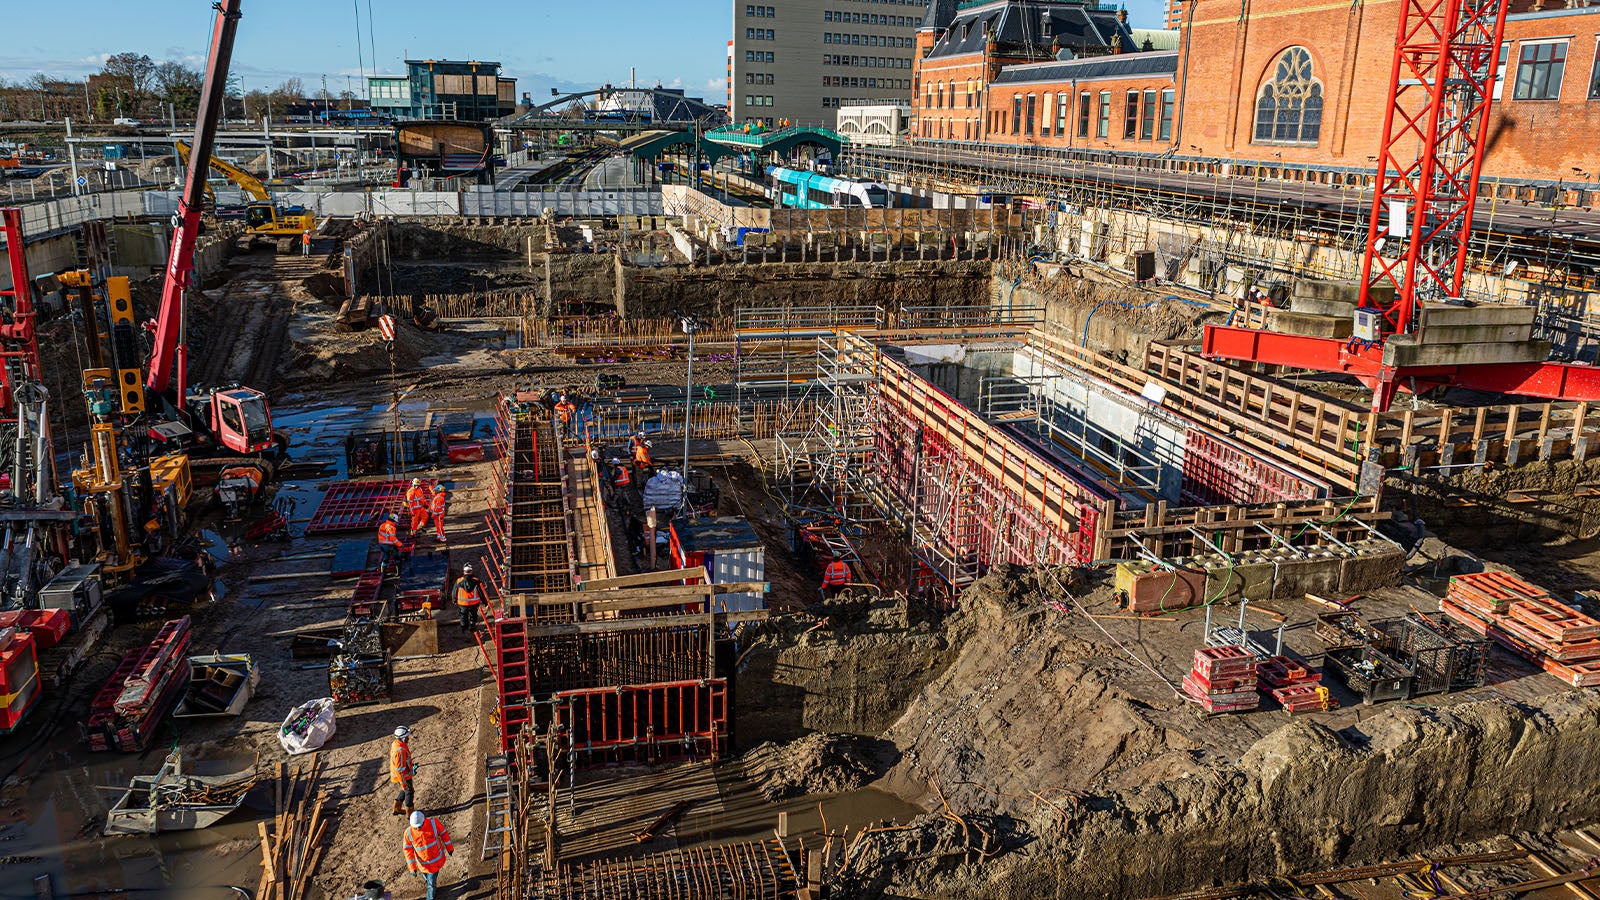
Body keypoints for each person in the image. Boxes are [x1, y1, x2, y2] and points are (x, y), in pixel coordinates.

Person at [402, 810, 454, 900]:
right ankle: (431, 885)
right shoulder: (409, 833)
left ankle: (430, 897)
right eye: (416, 827)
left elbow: (444, 834)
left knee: (430, 884)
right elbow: (407, 850)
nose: (418, 829)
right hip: (422, 865)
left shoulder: (433, 823)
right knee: (428, 880)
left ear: (424, 820)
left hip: (435, 863)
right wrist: (412, 868)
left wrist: (450, 848)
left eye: (419, 826)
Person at [390, 726, 417, 816]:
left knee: (404, 790)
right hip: (404, 776)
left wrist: (411, 766)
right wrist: (403, 783)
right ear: (402, 738)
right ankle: (410, 813)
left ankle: (396, 809)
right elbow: (400, 770)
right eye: (407, 737)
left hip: (403, 775)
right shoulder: (400, 751)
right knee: (409, 792)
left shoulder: (397, 744)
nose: (408, 738)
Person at [454, 565, 483, 635]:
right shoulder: (476, 581)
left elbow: (454, 591)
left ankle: (465, 630)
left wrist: (454, 600)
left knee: (463, 616)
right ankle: (472, 626)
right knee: (473, 615)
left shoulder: (459, 581)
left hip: (462, 604)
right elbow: (481, 592)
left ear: (464, 572)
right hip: (474, 603)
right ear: (471, 571)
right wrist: (485, 602)